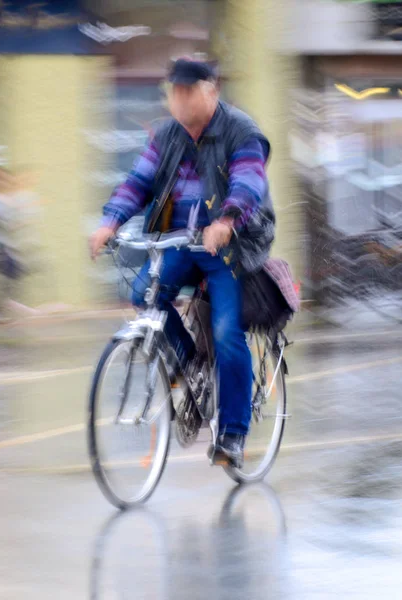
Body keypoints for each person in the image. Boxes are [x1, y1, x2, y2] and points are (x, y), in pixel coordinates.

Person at [91, 57, 274, 468]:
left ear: (212, 91)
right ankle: (191, 362)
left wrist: (227, 220)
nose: (180, 98)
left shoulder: (240, 131)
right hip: (181, 242)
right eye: (174, 90)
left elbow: (249, 182)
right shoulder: (168, 136)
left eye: (189, 90)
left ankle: (232, 434)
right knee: (142, 294)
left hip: (230, 247)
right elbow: (137, 182)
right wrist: (110, 222)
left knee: (228, 333)